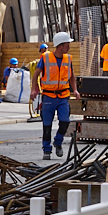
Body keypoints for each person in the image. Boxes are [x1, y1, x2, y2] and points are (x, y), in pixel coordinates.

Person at [32, 31, 79, 160]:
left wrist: (75, 90)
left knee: (65, 122)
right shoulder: (46, 58)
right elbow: (36, 74)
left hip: (63, 96)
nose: (69, 47)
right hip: (48, 96)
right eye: (67, 44)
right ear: (60, 46)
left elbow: (72, 76)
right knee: (47, 126)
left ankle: (58, 142)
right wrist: (34, 89)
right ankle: (46, 150)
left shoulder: (68, 58)